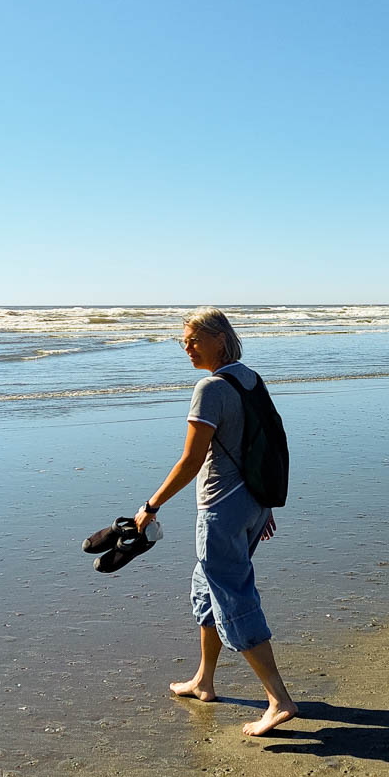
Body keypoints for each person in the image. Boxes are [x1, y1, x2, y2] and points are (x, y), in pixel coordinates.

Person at [134, 306, 298, 736]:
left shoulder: (210, 388)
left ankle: (279, 699)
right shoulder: (250, 378)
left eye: (193, 340)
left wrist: (151, 504)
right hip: (251, 504)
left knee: (233, 596)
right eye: (182, 341)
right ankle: (204, 680)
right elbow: (268, 443)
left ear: (219, 340)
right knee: (207, 590)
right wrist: (263, 504)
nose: (186, 348)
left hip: (222, 509)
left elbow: (191, 460)